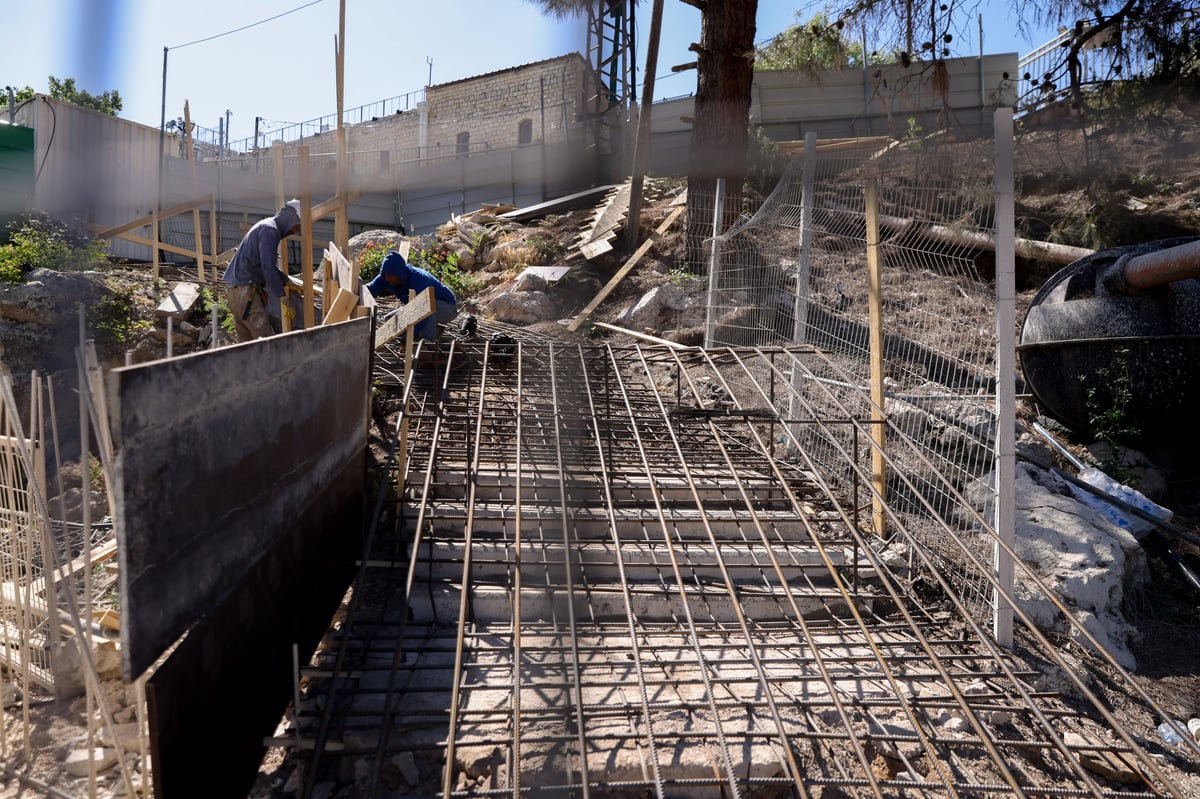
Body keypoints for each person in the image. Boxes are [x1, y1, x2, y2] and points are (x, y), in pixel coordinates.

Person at [223, 201, 302, 342]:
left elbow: (262, 264)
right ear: (291, 217)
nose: (295, 231)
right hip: (246, 292)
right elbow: (268, 267)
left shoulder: (265, 226)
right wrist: (283, 296)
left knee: (246, 346)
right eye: (297, 225)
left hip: (235, 291)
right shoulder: (270, 230)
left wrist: (286, 280)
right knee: (265, 342)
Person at [365, 251, 458, 341]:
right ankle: (434, 329)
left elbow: (421, 312)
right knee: (390, 320)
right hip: (419, 307)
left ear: (399, 273)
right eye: (385, 275)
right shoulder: (385, 278)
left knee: (428, 310)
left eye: (390, 275)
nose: (387, 278)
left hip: (447, 307)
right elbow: (368, 290)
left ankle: (426, 344)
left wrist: (411, 336)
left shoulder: (419, 280)